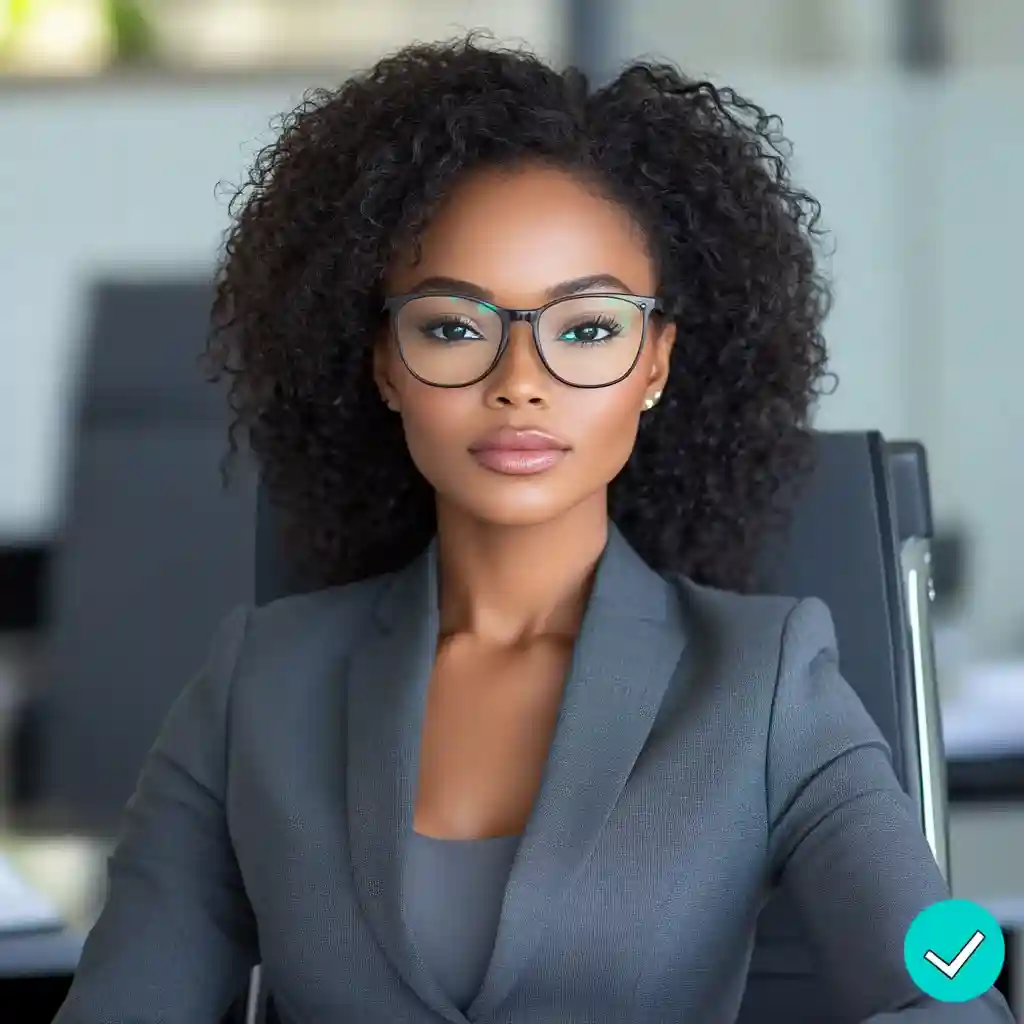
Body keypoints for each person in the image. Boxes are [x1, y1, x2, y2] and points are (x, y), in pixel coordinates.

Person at [54, 36, 1012, 1024]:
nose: (519, 381)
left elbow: (946, 989)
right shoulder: (256, 687)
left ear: (655, 364)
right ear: (383, 363)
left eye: (587, 329)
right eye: (453, 327)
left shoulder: (764, 682)